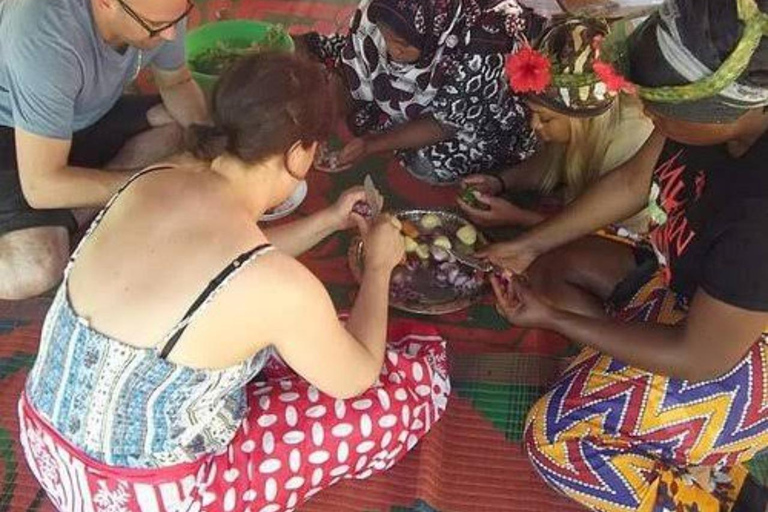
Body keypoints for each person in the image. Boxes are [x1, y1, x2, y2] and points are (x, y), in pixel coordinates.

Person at [17, 53, 450, 512]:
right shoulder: (280, 291)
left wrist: (328, 220)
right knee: (402, 391)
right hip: (138, 498)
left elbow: (229, 267)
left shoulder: (154, 178)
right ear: (299, 154)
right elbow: (356, 380)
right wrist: (379, 268)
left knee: (294, 336)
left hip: (45, 444)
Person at [482, 0, 768, 510]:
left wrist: (555, 318)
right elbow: (634, 181)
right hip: (692, 289)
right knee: (554, 265)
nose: (649, 115)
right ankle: (630, 385)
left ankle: (722, 495)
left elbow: (699, 357)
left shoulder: (759, 216)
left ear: (739, 108)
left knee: (554, 440)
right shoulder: (706, 109)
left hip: (738, 354)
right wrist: (529, 244)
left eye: (662, 110)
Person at [0, 0, 208, 300]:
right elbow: (41, 187)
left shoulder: (163, 8)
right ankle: (60, 210)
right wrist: (157, 180)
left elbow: (177, 82)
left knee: (181, 130)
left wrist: (213, 148)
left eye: (179, 18)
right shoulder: (44, 34)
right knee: (35, 267)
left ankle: (71, 206)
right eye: (156, 27)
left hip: (80, 116)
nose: (171, 36)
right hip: (14, 130)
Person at [297, 0, 544, 184]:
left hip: (478, 109)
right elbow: (353, 68)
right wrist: (322, 126)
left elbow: (444, 124)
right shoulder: (383, 9)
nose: (393, 51)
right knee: (330, 76)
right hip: (425, 75)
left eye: (402, 44)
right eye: (385, 37)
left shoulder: (483, 47)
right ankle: (399, 105)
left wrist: (370, 145)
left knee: (428, 165)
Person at [458, 17, 653, 233]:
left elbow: (615, 239)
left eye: (546, 118)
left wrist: (519, 217)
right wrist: (498, 182)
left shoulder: (629, 145)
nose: (534, 125)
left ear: (581, 119)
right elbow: (551, 165)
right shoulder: (580, 134)